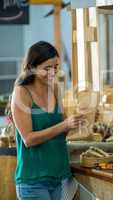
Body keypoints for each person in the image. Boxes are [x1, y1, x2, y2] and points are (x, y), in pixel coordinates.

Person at [11, 41, 84, 200]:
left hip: (59, 177)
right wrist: (64, 124)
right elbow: (28, 139)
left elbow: (60, 134)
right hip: (33, 180)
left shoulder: (55, 89)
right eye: (47, 68)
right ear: (32, 67)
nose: (53, 73)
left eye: (56, 67)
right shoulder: (21, 92)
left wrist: (74, 123)